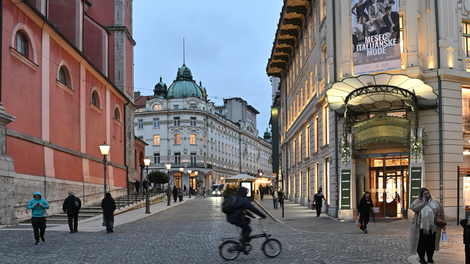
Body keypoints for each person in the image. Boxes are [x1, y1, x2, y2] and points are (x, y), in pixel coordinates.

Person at [410, 188, 445, 264]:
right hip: (421, 227)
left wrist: (443, 223)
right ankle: (422, 259)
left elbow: (441, 212)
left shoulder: (435, 202)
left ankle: (430, 258)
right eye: (425, 194)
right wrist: (423, 203)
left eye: (428, 193)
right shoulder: (417, 201)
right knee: (422, 243)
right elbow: (414, 208)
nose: (427, 195)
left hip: (433, 227)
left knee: (431, 243)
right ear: (421, 195)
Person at [226, 187, 266, 252]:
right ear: (244, 192)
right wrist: (262, 215)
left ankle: (243, 238)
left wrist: (251, 215)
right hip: (236, 218)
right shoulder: (243, 199)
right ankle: (242, 245)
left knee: (247, 220)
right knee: (248, 229)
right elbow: (252, 208)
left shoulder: (238, 198)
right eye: (246, 192)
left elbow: (242, 209)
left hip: (233, 217)